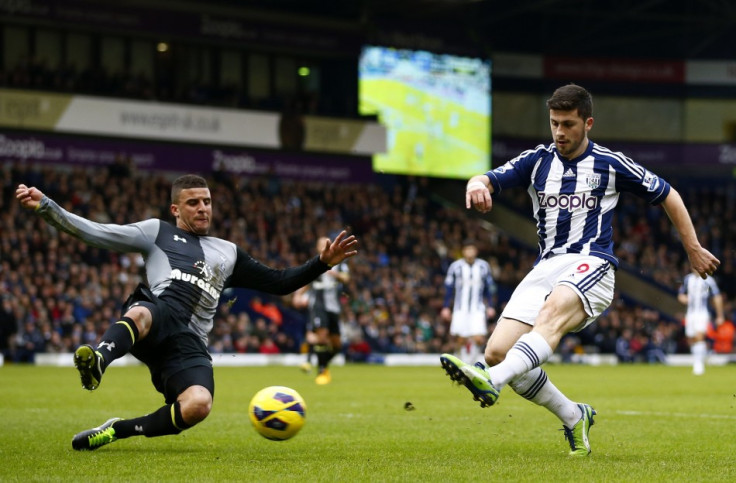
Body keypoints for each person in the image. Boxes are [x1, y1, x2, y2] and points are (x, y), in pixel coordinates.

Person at [440, 83, 720, 457]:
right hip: (546, 266)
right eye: (554, 122)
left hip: (593, 263)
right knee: (497, 351)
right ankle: (573, 416)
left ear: (587, 123)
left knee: (548, 317)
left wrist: (693, 247)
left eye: (568, 124)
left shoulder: (610, 163)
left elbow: (668, 194)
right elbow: (486, 177)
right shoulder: (537, 160)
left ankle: (490, 381)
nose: (559, 132)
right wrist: (476, 186)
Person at [15, 174, 358, 451]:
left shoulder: (228, 253)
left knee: (198, 405)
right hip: (159, 314)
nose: (202, 209)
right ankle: (98, 362)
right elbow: (97, 232)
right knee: (143, 313)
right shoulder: (156, 231)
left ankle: (116, 430)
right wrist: (46, 206)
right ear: (175, 210)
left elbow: (280, 282)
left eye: (207, 202)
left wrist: (322, 264)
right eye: (193, 203)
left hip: (190, 342)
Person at [292, 236, 350, 384]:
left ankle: (320, 361)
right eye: (323, 244)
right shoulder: (315, 263)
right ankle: (322, 370)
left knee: (337, 345)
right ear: (318, 248)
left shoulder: (340, 263)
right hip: (318, 304)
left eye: (328, 243)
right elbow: (306, 280)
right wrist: (298, 294)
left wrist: (334, 274)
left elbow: (346, 278)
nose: (326, 245)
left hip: (334, 306)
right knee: (322, 336)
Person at [440, 240, 496, 363]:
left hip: (477, 308)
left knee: (479, 338)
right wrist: (445, 307)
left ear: (476, 251)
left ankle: (472, 363)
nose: (470, 252)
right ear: (463, 251)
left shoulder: (483, 266)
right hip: (461, 308)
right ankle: (459, 363)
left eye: (472, 249)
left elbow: (489, 288)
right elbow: (449, 288)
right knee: (461, 339)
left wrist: (491, 306)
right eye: (467, 249)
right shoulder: (455, 267)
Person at [677, 270, 724, 375]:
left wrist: (720, 315)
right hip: (690, 314)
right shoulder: (687, 279)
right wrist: (683, 299)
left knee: (699, 336)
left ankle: (698, 365)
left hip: (702, 313)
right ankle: (701, 357)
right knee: (691, 338)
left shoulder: (709, 280)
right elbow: (681, 294)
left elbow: (717, 297)